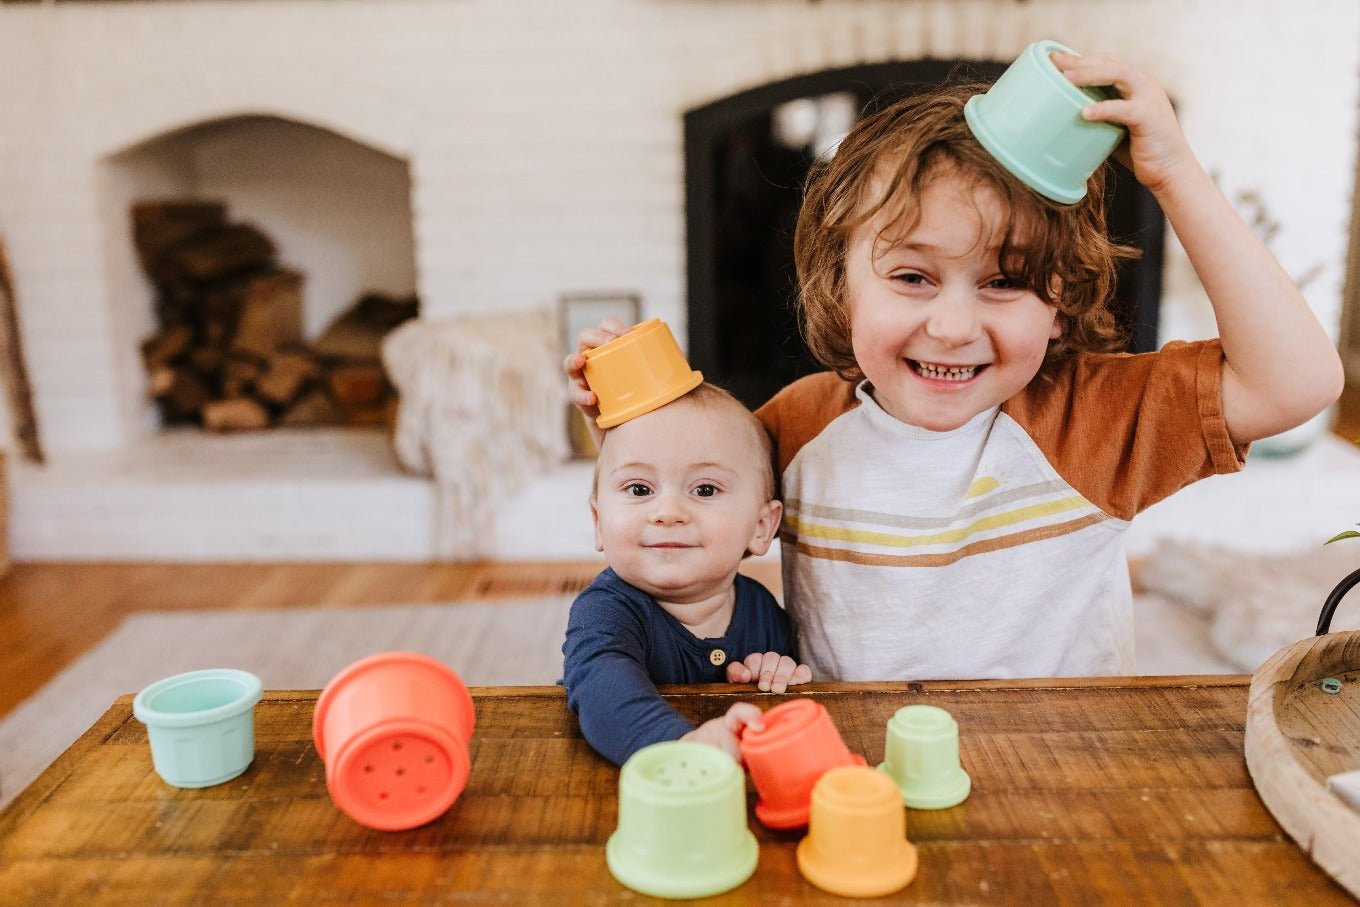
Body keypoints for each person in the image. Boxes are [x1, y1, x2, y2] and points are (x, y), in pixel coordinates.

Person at [565, 51, 1343, 682]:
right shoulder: (800, 424)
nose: (951, 325)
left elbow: (1297, 382)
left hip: (1061, 782)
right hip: (855, 778)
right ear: (842, 285)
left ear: (1060, 301)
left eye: (1004, 281)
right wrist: (636, 419)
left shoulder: (1098, 417)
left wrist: (1176, 176)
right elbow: (689, 492)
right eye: (912, 277)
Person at [561, 381, 812, 765]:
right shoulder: (605, 613)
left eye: (705, 490)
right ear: (598, 522)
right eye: (640, 489)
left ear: (762, 527)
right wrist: (681, 746)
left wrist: (776, 668)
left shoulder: (763, 611)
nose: (668, 511)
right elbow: (602, 690)